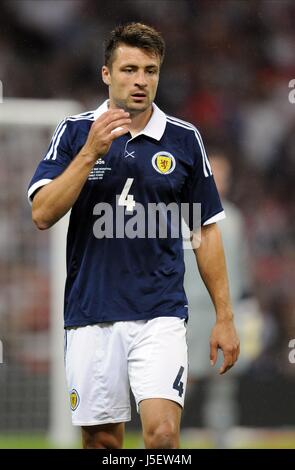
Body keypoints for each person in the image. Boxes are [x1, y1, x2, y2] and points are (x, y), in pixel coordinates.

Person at [28, 22, 239, 449]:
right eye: (128, 69)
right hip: (91, 313)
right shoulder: (74, 133)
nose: (140, 80)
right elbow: (42, 214)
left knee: (162, 437)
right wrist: (90, 153)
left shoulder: (183, 139)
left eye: (150, 70)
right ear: (107, 74)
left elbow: (204, 231)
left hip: (159, 313)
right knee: (104, 443)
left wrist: (225, 316)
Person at [183, 151, 262, 448]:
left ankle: (222, 440)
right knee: (181, 381)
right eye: (213, 175)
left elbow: (242, 267)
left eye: (223, 176)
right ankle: (160, 438)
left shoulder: (235, 219)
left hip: (224, 313)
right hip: (190, 312)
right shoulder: (183, 216)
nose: (218, 182)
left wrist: (246, 303)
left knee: (224, 382)